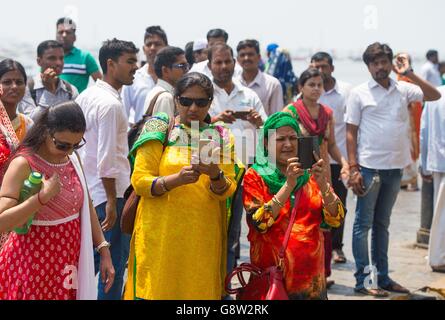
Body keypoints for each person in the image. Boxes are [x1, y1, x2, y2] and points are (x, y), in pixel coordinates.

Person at [123, 72, 237, 300]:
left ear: (210, 103)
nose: (193, 108)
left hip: (201, 238)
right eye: (186, 101)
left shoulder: (222, 135)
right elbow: (140, 180)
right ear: (176, 100)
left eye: (201, 102)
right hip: (160, 235)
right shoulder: (158, 127)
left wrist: (215, 175)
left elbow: (229, 189)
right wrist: (176, 180)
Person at [346, 42, 441, 297]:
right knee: (362, 225)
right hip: (368, 168)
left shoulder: (403, 88)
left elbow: (434, 95)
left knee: (382, 225)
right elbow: (351, 133)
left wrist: (409, 72)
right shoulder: (359, 93)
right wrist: (353, 168)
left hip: (395, 168)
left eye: (384, 62)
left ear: (390, 63)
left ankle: (383, 277)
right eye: (375, 63)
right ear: (368, 66)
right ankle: (364, 282)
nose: (380, 67)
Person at [0, 101, 114, 300]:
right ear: (45, 132)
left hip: (66, 266)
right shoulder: (24, 164)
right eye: (62, 145)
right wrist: (41, 199)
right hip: (30, 267)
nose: (69, 151)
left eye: (76, 145)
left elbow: (86, 206)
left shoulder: (72, 159)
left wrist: (103, 250)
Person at [243, 112, 345, 300]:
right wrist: (288, 185)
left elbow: (335, 219)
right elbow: (259, 223)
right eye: (280, 139)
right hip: (273, 279)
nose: (288, 144)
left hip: (311, 281)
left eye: (293, 138)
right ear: (266, 143)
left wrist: (323, 184)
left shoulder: (310, 175)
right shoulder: (255, 176)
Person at [76, 38, 139, 300]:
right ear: (110, 64)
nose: (136, 67)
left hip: (89, 192)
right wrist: (113, 202)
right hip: (109, 195)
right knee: (111, 269)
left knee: (87, 266)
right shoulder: (110, 104)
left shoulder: (87, 95)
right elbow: (107, 159)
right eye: (130, 62)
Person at [283, 68, 349, 288]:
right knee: (301, 220)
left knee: (324, 220)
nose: (316, 89)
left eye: (319, 85)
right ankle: (297, 269)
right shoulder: (290, 112)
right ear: (301, 87)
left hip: (322, 174)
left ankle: (322, 271)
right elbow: (281, 142)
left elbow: (330, 144)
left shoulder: (327, 113)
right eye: (311, 84)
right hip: (299, 173)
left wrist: (345, 163)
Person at [207, 43, 267, 276]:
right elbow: (187, 131)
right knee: (212, 232)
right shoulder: (204, 95)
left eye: (227, 61)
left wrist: (258, 122)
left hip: (244, 173)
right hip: (211, 172)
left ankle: (226, 285)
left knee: (234, 234)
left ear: (234, 63)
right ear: (210, 65)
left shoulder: (249, 95)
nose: (223, 67)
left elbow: (270, 134)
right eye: (218, 62)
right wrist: (215, 119)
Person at [310, 52, 352, 264]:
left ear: (331, 68)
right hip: (308, 167)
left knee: (337, 205)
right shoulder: (297, 104)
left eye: (324, 67)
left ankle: (336, 247)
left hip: (334, 161)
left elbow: (351, 129)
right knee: (312, 209)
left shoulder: (344, 93)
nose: (320, 71)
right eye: (316, 67)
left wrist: (349, 162)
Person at [19, 40, 79, 119]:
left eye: (61, 58)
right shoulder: (26, 88)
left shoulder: (70, 90)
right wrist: (49, 91)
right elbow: (29, 122)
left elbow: (76, 122)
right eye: (52, 58)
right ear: (39, 61)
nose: (58, 63)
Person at [420, 85, 445, 273]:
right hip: (438, 160)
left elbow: (424, 131)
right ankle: (437, 258)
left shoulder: (435, 92)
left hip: (437, 161)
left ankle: (437, 256)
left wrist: (424, 163)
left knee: (440, 213)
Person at [122, 26, 168, 125]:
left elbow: (194, 119)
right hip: (140, 139)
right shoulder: (133, 79)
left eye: (157, 44)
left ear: (166, 48)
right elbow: (123, 117)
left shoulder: (175, 77)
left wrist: (195, 140)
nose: (152, 48)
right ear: (144, 49)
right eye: (149, 44)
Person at [236, 40, 283, 116]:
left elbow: (276, 118)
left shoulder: (272, 84)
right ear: (237, 59)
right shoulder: (233, 83)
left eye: (250, 54)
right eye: (242, 55)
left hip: (262, 128)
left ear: (258, 57)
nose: (246, 58)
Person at [56, 17, 102, 93]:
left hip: (76, 104)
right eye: (61, 32)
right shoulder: (49, 58)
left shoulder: (85, 57)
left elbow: (101, 85)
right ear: (56, 35)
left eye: (68, 32)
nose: (64, 35)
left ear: (74, 37)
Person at [143, 46, 189, 119]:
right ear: (165, 70)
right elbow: (166, 130)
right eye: (181, 65)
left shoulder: (161, 92)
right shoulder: (165, 97)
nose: (186, 70)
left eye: (187, 65)